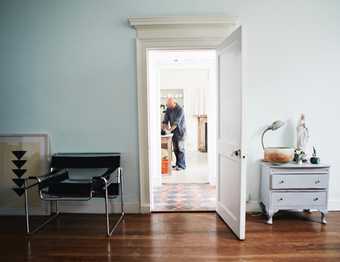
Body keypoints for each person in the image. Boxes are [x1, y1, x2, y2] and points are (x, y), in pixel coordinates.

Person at [162, 97, 186, 170]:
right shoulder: (169, 109)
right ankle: (177, 164)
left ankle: (182, 166)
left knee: (180, 149)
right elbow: (165, 120)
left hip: (180, 131)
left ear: (173, 103)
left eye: (169, 105)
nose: (168, 107)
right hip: (173, 132)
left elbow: (176, 123)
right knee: (175, 149)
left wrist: (169, 130)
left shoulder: (180, 110)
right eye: (167, 105)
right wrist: (164, 126)